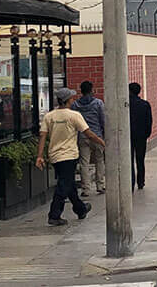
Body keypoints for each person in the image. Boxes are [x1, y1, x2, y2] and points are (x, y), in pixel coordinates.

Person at [36, 86, 105, 227]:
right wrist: (102, 142)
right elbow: (88, 133)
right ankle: (54, 215)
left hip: (55, 156)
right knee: (64, 184)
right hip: (69, 155)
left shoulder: (49, 116)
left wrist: (39, 156)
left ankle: (80, 209)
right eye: (72, 97)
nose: (73, 99)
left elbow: (42, 136)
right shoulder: (74, 115)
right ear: (68, 100)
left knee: (69, 183)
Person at [73, 80, 106, 195]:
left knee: (84, 162)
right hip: (97, 135)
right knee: (99, 160)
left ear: (81, 91)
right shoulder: (98, 103)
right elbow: (103, 120)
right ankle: (100, 185)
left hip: (82, 135)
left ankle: (86, 189)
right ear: (92, 90)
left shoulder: (75, 105)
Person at [128, 81, 153, 191]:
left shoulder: (126, 105)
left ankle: (131, 182)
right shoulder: (145, 104)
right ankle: (141, 182)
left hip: (128, 136)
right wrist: (147, 134)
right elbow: (149, 121)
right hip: (141, 136)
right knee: (140, 159)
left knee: (129, 160)